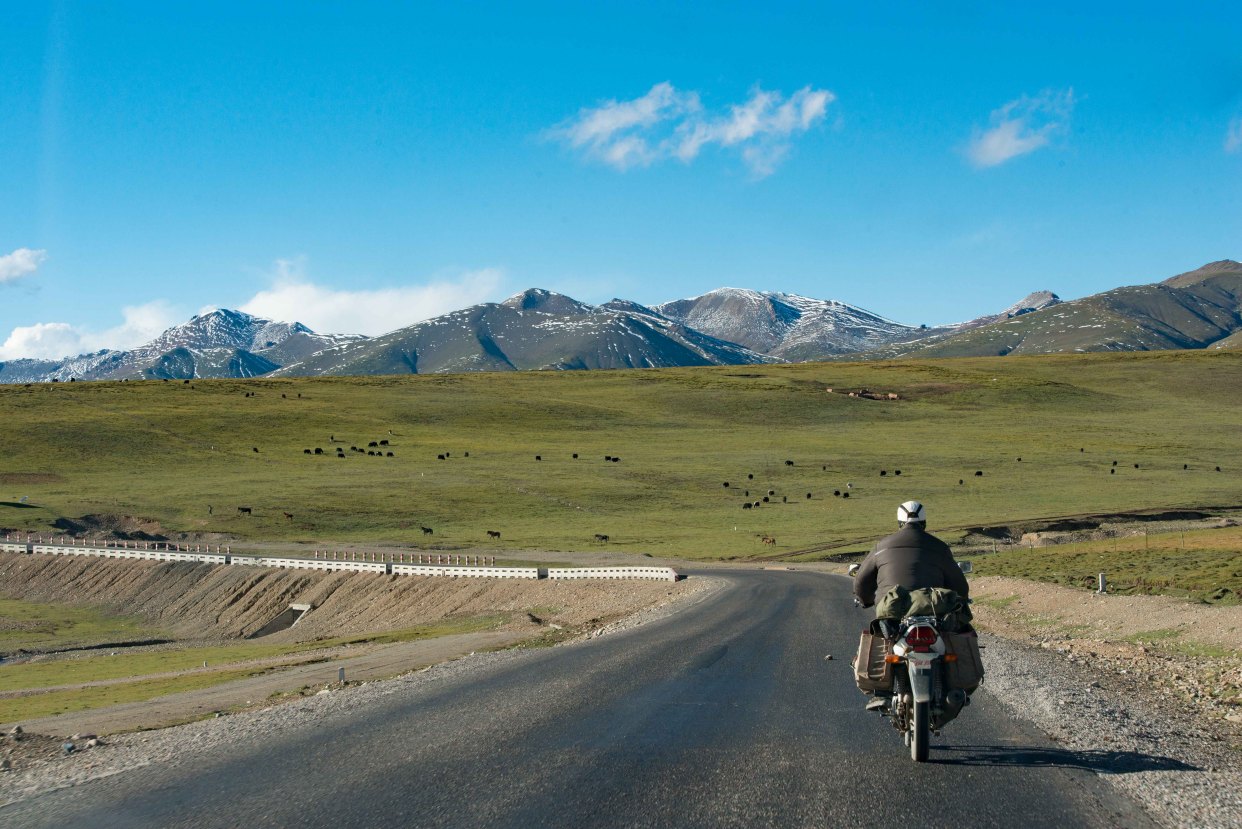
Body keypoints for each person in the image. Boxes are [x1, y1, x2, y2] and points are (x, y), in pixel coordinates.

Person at [853, 500, 969, 618]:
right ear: (924, 523)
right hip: (932, 608)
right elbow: (960, 586)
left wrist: (866, 600)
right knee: (958, 628)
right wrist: (960, 599)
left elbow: (861, 582)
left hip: (891, 607)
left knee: (881, 633)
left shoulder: (881, 547)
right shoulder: (940, 547)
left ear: (900, 523)